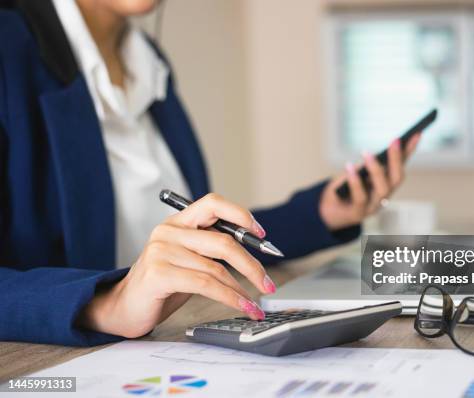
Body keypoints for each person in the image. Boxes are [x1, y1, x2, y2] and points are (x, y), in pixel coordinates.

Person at [0, 0, 421, 346]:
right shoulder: (8, 47)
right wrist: (106, 303)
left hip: (172, 347)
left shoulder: (149, 62)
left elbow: (204, 239)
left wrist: (324, 213)